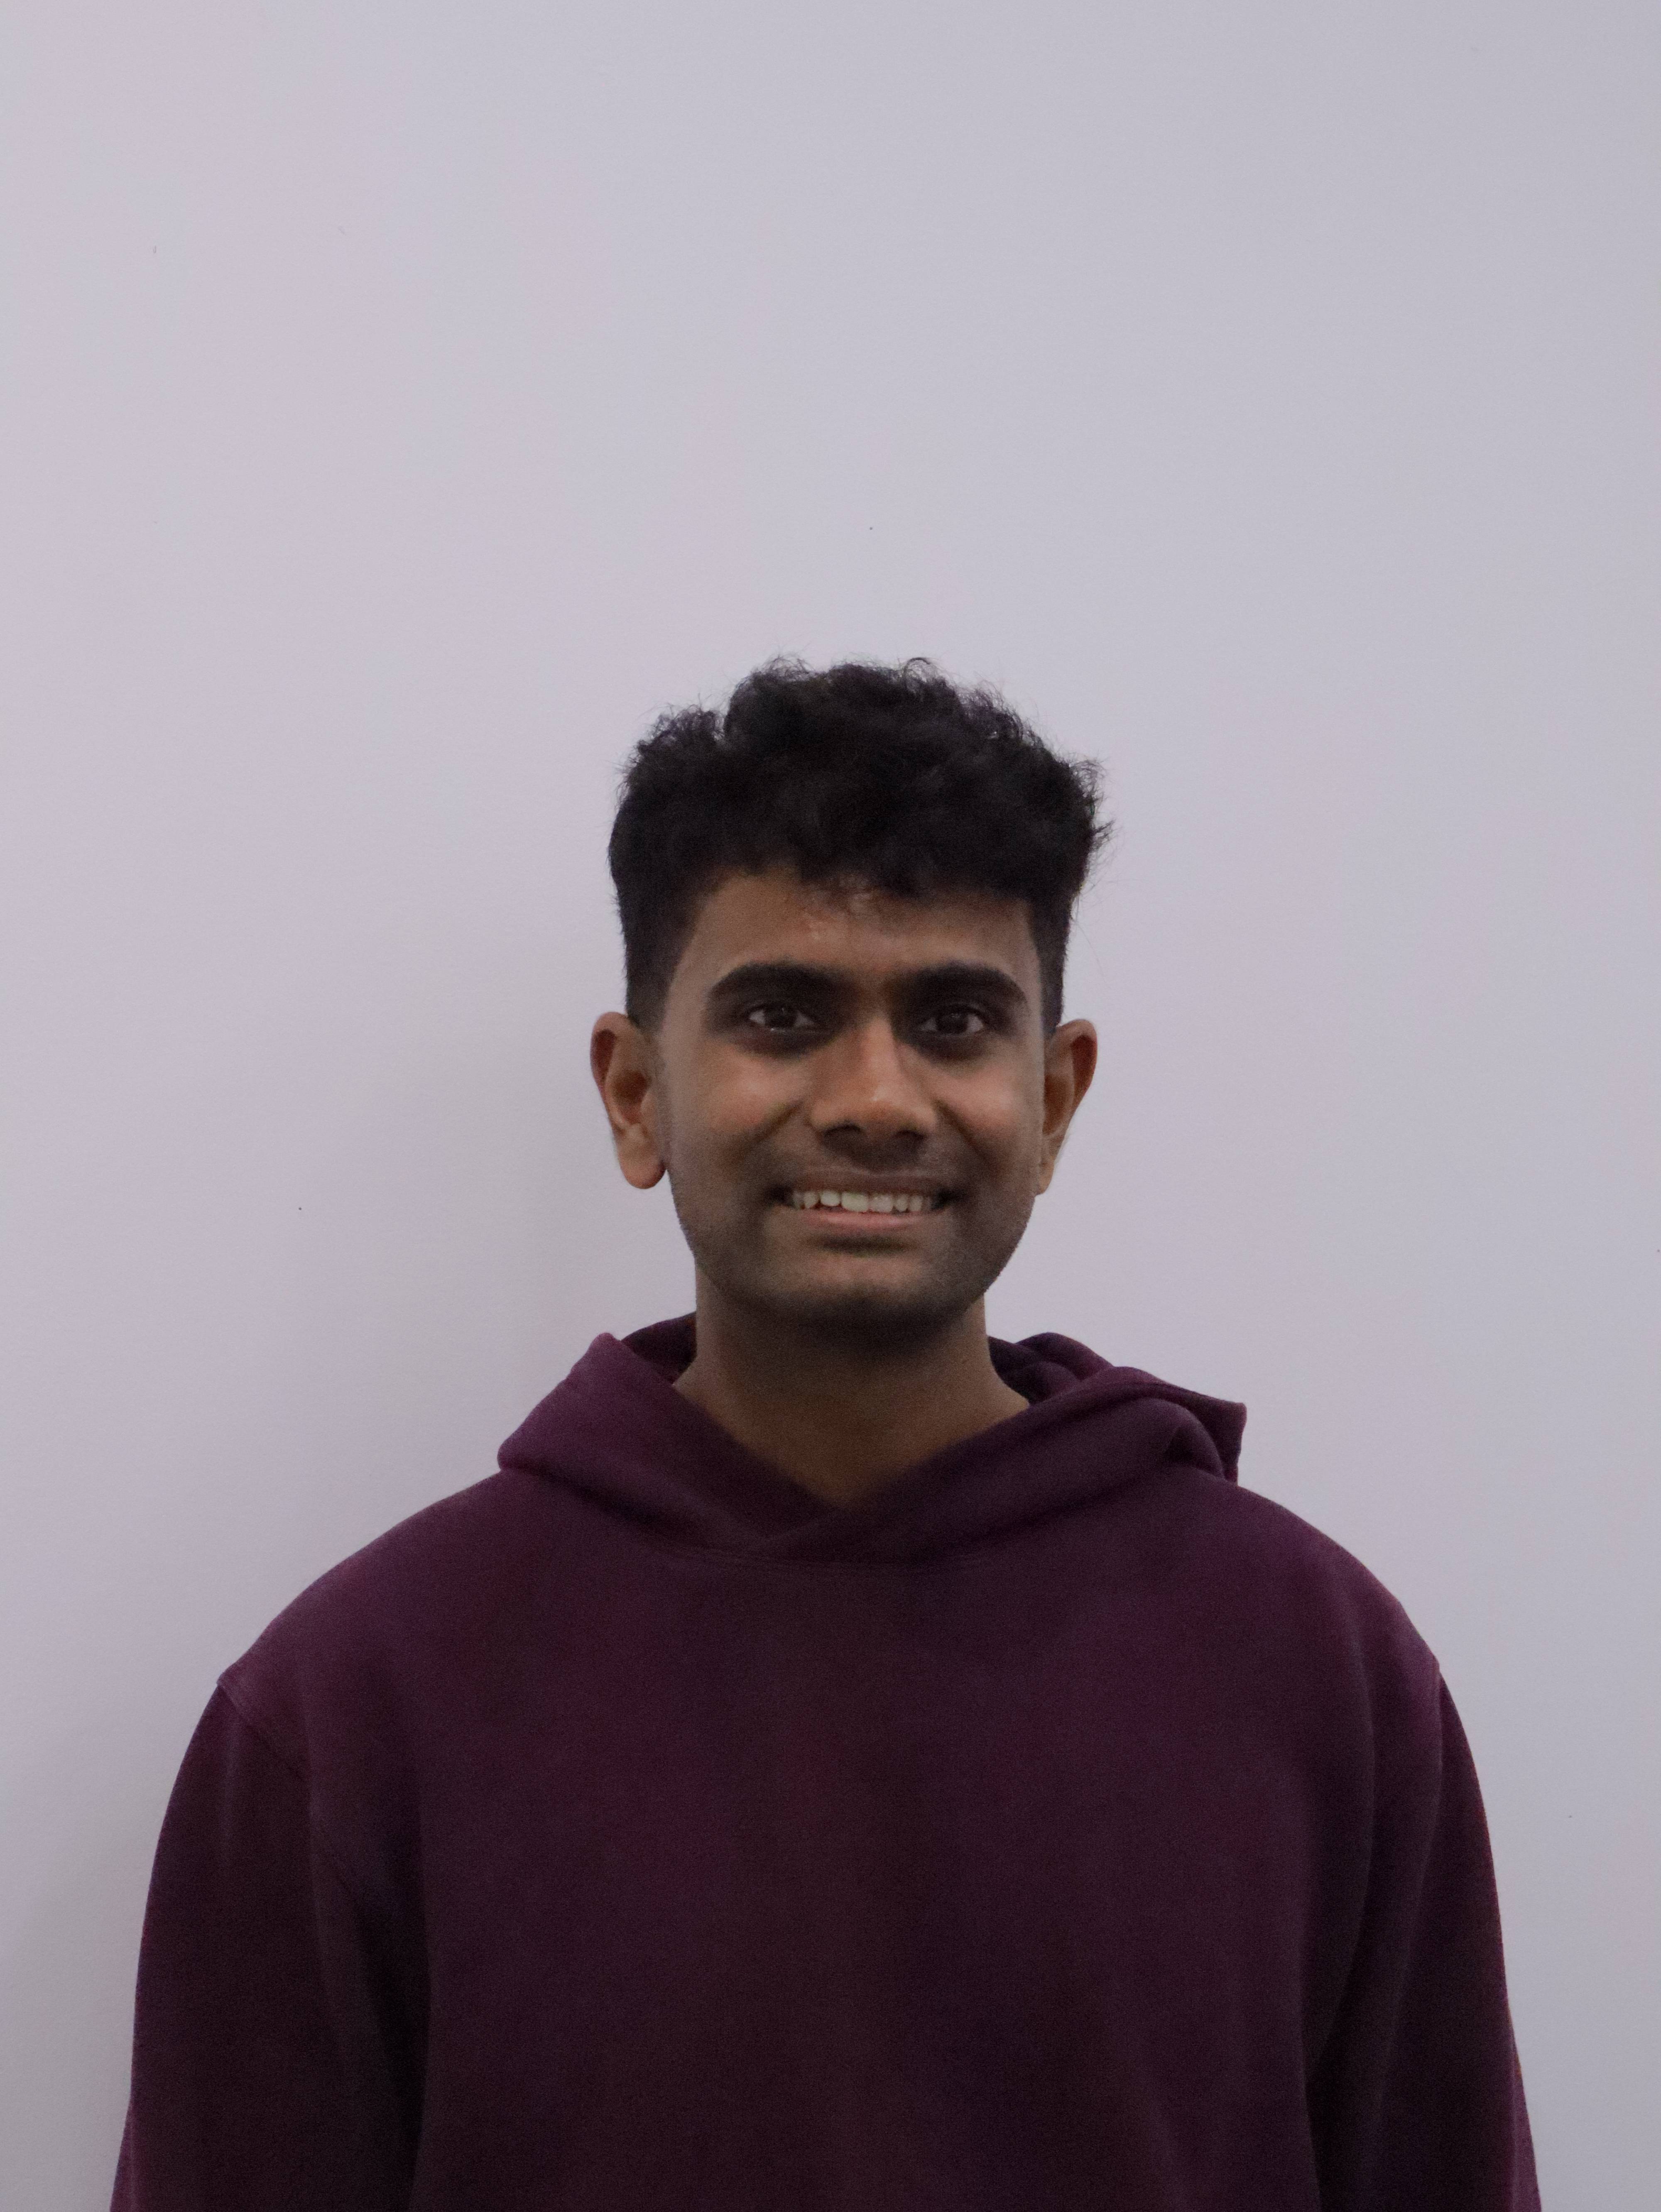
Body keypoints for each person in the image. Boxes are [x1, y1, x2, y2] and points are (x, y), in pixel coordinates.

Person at [111, 659, 1539, 2210]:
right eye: (784, 1016)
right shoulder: (351, 1711)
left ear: (1054, 1101)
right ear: (635, 1092)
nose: (875, 1098)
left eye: (953, 1018)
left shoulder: (1317, 1674)